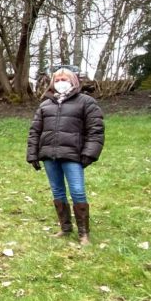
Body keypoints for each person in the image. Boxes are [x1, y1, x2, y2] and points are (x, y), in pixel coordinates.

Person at [26, 67, 104, 244]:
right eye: (58, 79)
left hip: (73, 155)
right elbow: (35, 131)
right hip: (49, 156)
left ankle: (84, 233)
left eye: (65, 79)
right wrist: (33, 154)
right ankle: (65, 228)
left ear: (74, 81)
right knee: (57, 191)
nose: (61, 82)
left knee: (77, 191)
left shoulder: (86, 102)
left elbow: (96, 131)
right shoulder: (45, 105)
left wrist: (89, 154)